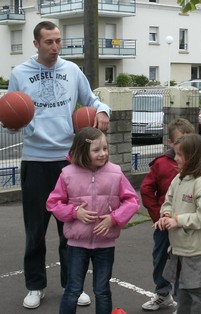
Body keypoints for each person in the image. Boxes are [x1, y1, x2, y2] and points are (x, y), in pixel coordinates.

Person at [6, 21, 111, 309]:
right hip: (36, 160)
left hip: (69, 162)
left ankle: (72, 286)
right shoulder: (20, 73)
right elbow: (13, 111)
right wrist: (13, 124)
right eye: (49, 42)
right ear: (36, 44)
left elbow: (93, 100)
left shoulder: (72, 70)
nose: (55, 47)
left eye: (58, 41)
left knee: (71, 231)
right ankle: (35, 285)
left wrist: (102, 111)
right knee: (35, 231)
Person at [46, 127, 140, 314]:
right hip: (76, 244)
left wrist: (114, 218)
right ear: (82, 150)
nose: (103, 153)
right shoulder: (67, 174)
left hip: (105, 244)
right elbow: (53, 203)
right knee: (72, 290)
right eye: (96, 150)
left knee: (102, 290)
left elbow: (132, 200)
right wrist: (74, 212)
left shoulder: (115, 172)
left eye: (105, 148)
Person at [153, 133, 201, 314]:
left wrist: (179, 221)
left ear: (193, 156)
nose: (175, 158)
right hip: (179, 248)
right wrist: (165, 214)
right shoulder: (179, 178)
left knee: (196, 292)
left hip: (195, 250)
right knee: (183, 290)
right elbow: (168, 200)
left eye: (180, 155)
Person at [141, 118, 195, 311]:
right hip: (164, 224)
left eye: (189, 140)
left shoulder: (197, 164)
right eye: (180, 141)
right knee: (161, 258)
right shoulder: (161, 164)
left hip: (186, 224)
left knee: (184, 261)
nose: (184, 146)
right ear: (170, 143)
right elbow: (147, 189)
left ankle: (182, 300)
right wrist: (158, 216)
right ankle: (162, 293)